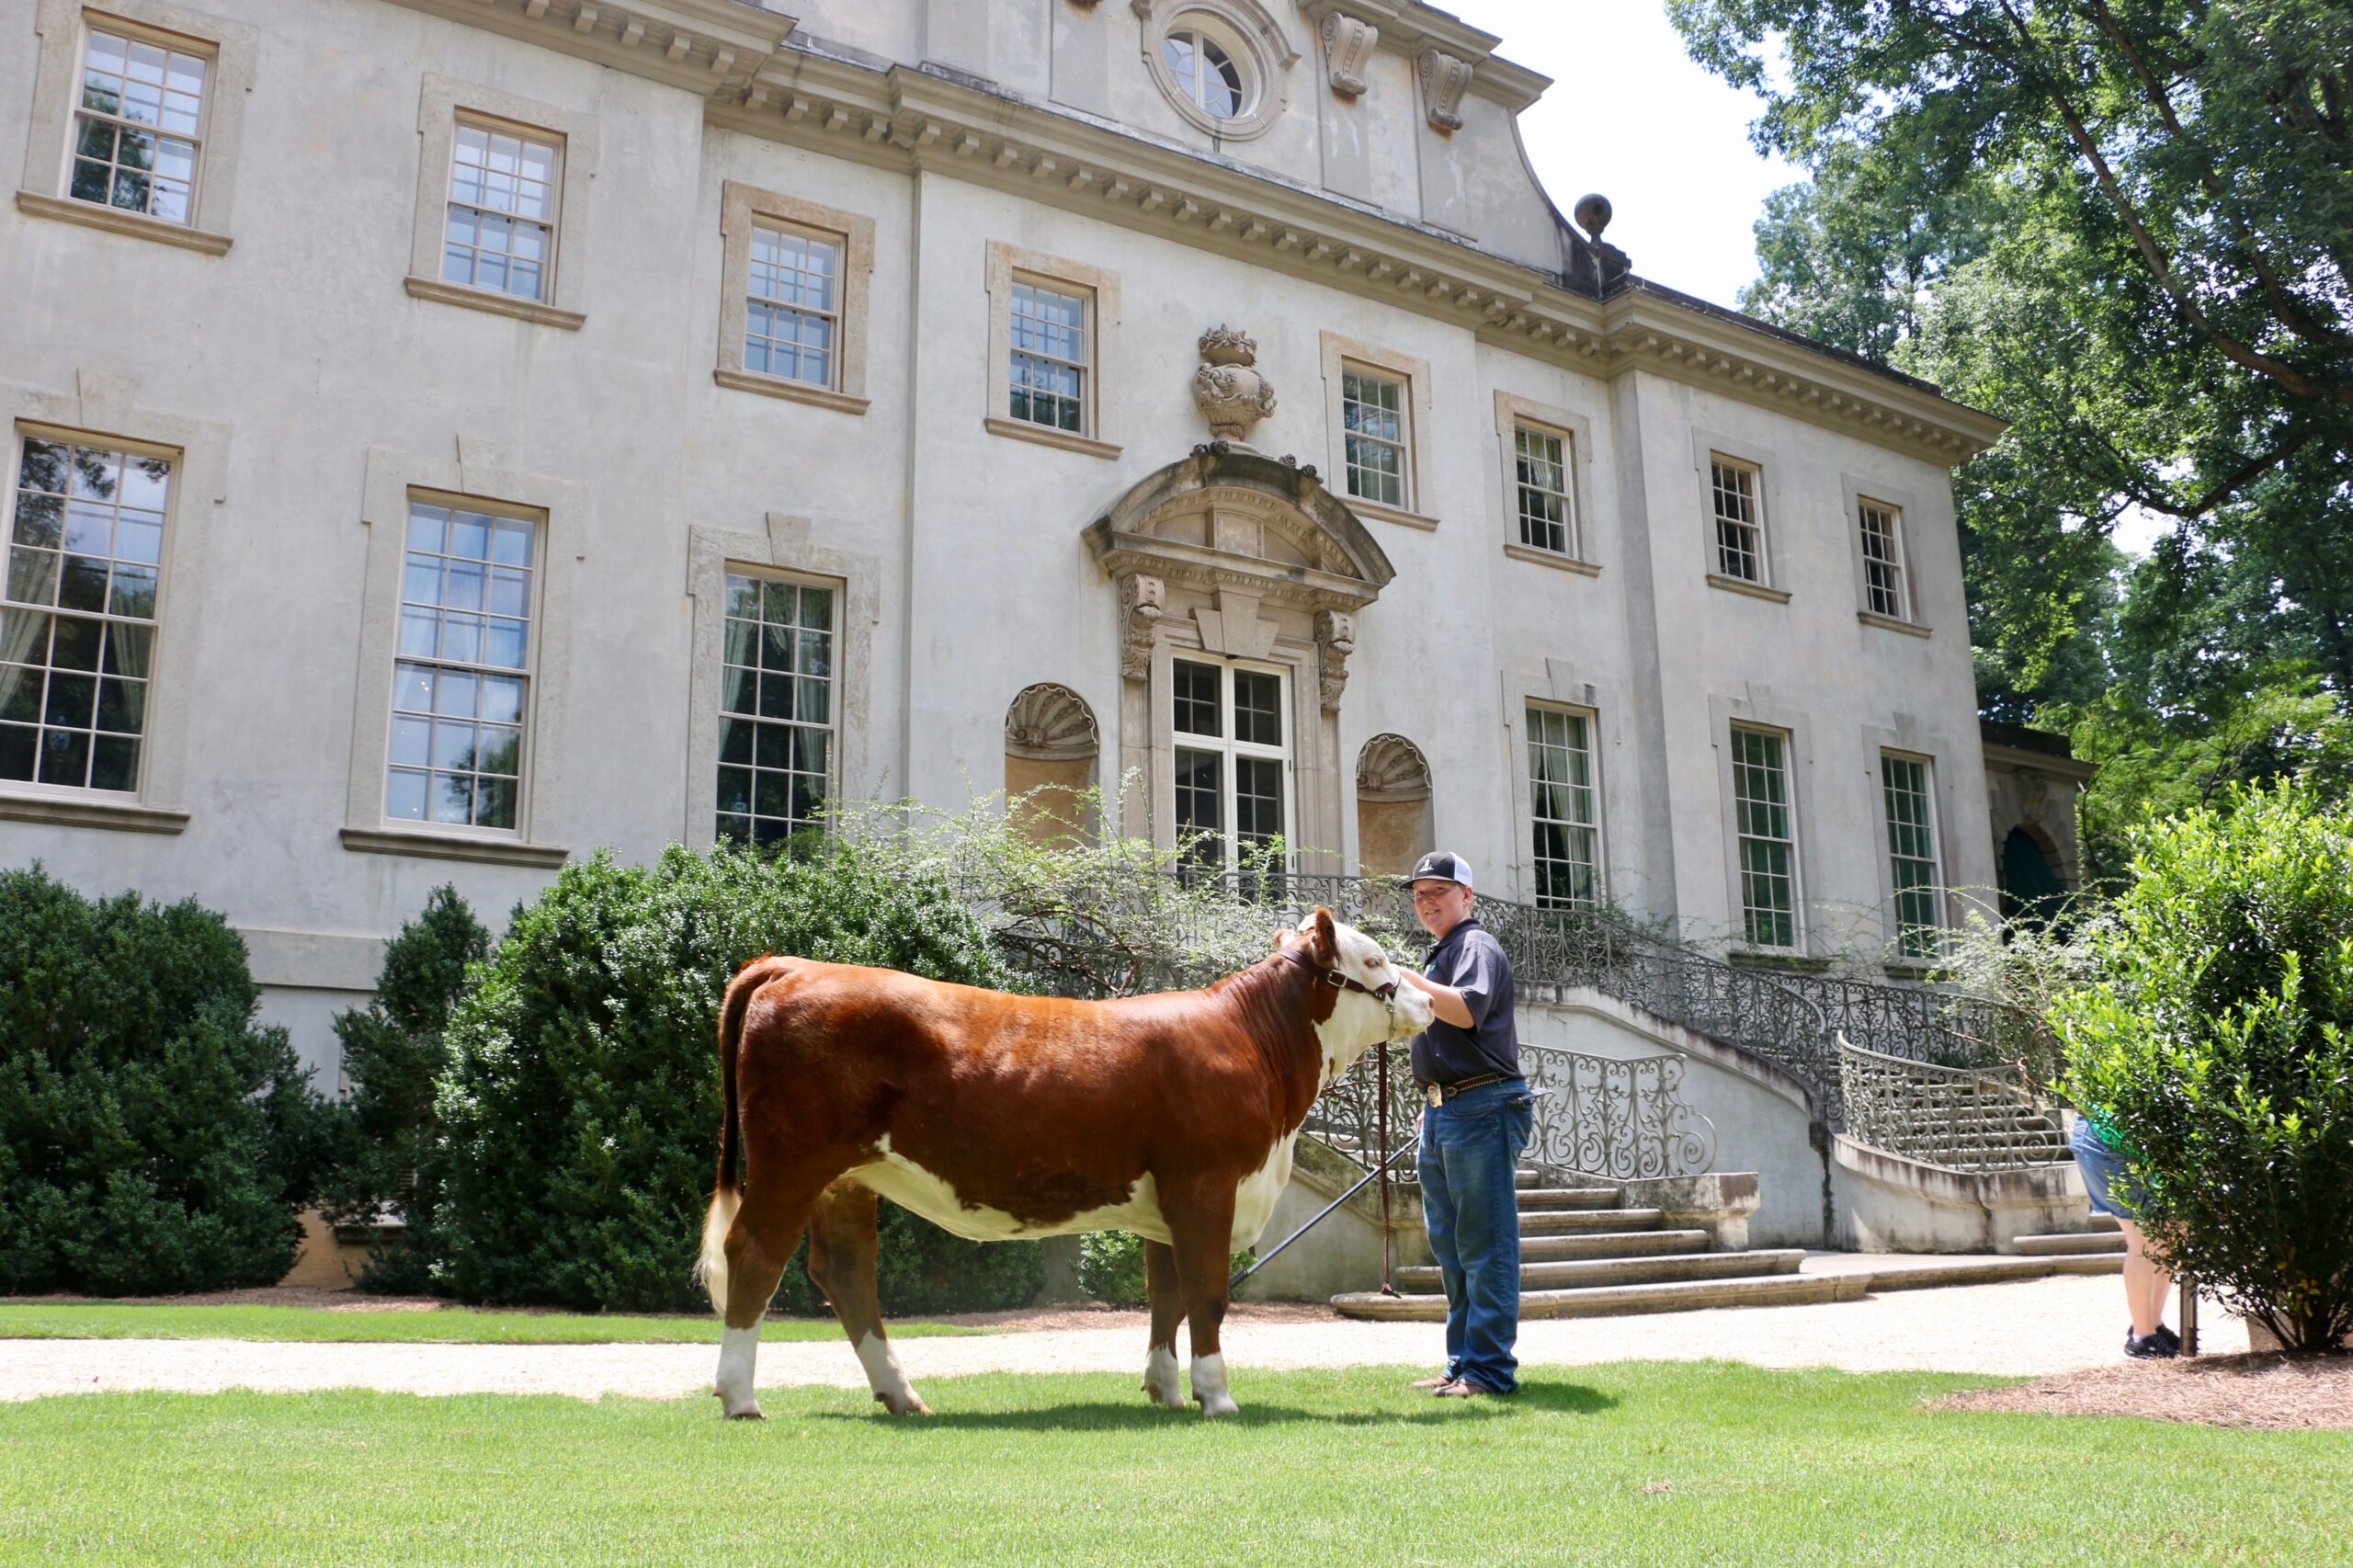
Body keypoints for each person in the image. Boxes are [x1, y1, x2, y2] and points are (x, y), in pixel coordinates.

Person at [1392, 851, 1530, 1399]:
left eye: (1439, 893)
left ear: (1467, 898)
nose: (1427, 903)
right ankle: (1462, 1364)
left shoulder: (1474, 945)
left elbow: (1468, 1011)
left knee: (1484, 1245)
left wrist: (1398, 975)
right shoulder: (1442, 952)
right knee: (1451, 1247)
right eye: (1420, 895)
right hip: (1445, 1109)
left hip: (1482, 1106)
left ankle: (1489, 1372)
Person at [2069, 1108, 2177, 1358]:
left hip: (2134, 1139)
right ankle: (2143, 1337)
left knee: (2169, 1236)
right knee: (2145, 1238)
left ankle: (2152, 1325)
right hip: (2108, 1139)